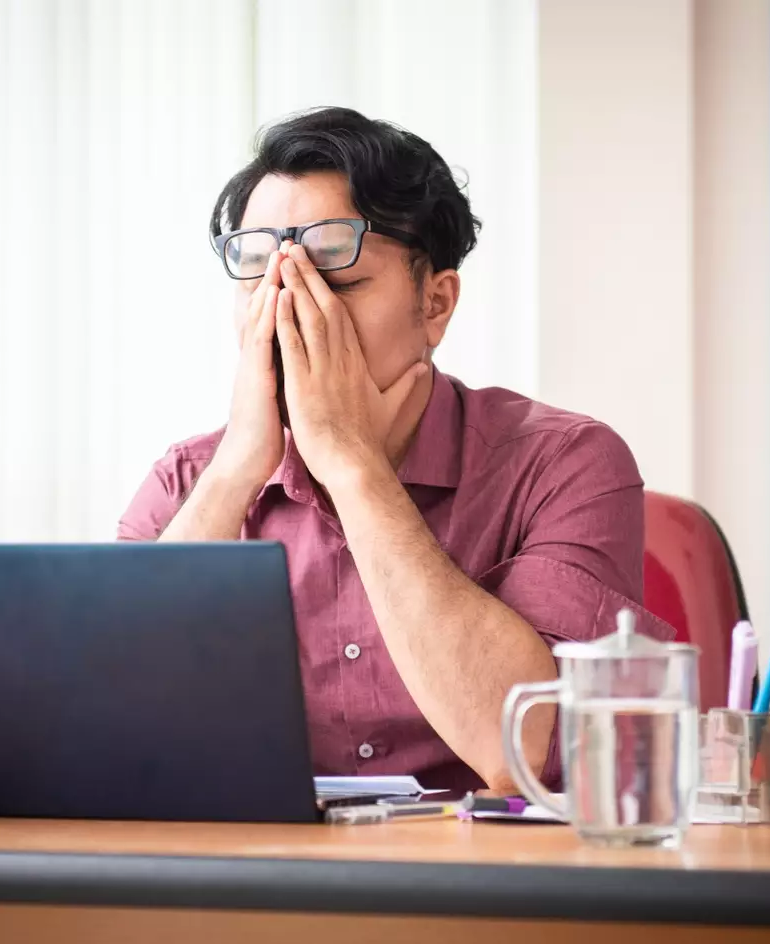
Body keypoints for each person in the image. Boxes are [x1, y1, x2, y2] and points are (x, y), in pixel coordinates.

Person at [119, 106, 672, 793]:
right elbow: (105, 731)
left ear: (435, 303)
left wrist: (353, 465)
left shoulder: (567, 465)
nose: (288, 307)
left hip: (487, 886)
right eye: (259, 275)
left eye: (337, 280)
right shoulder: (187, 481)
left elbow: (534, 751)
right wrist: (235, 468)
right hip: (254, 884)